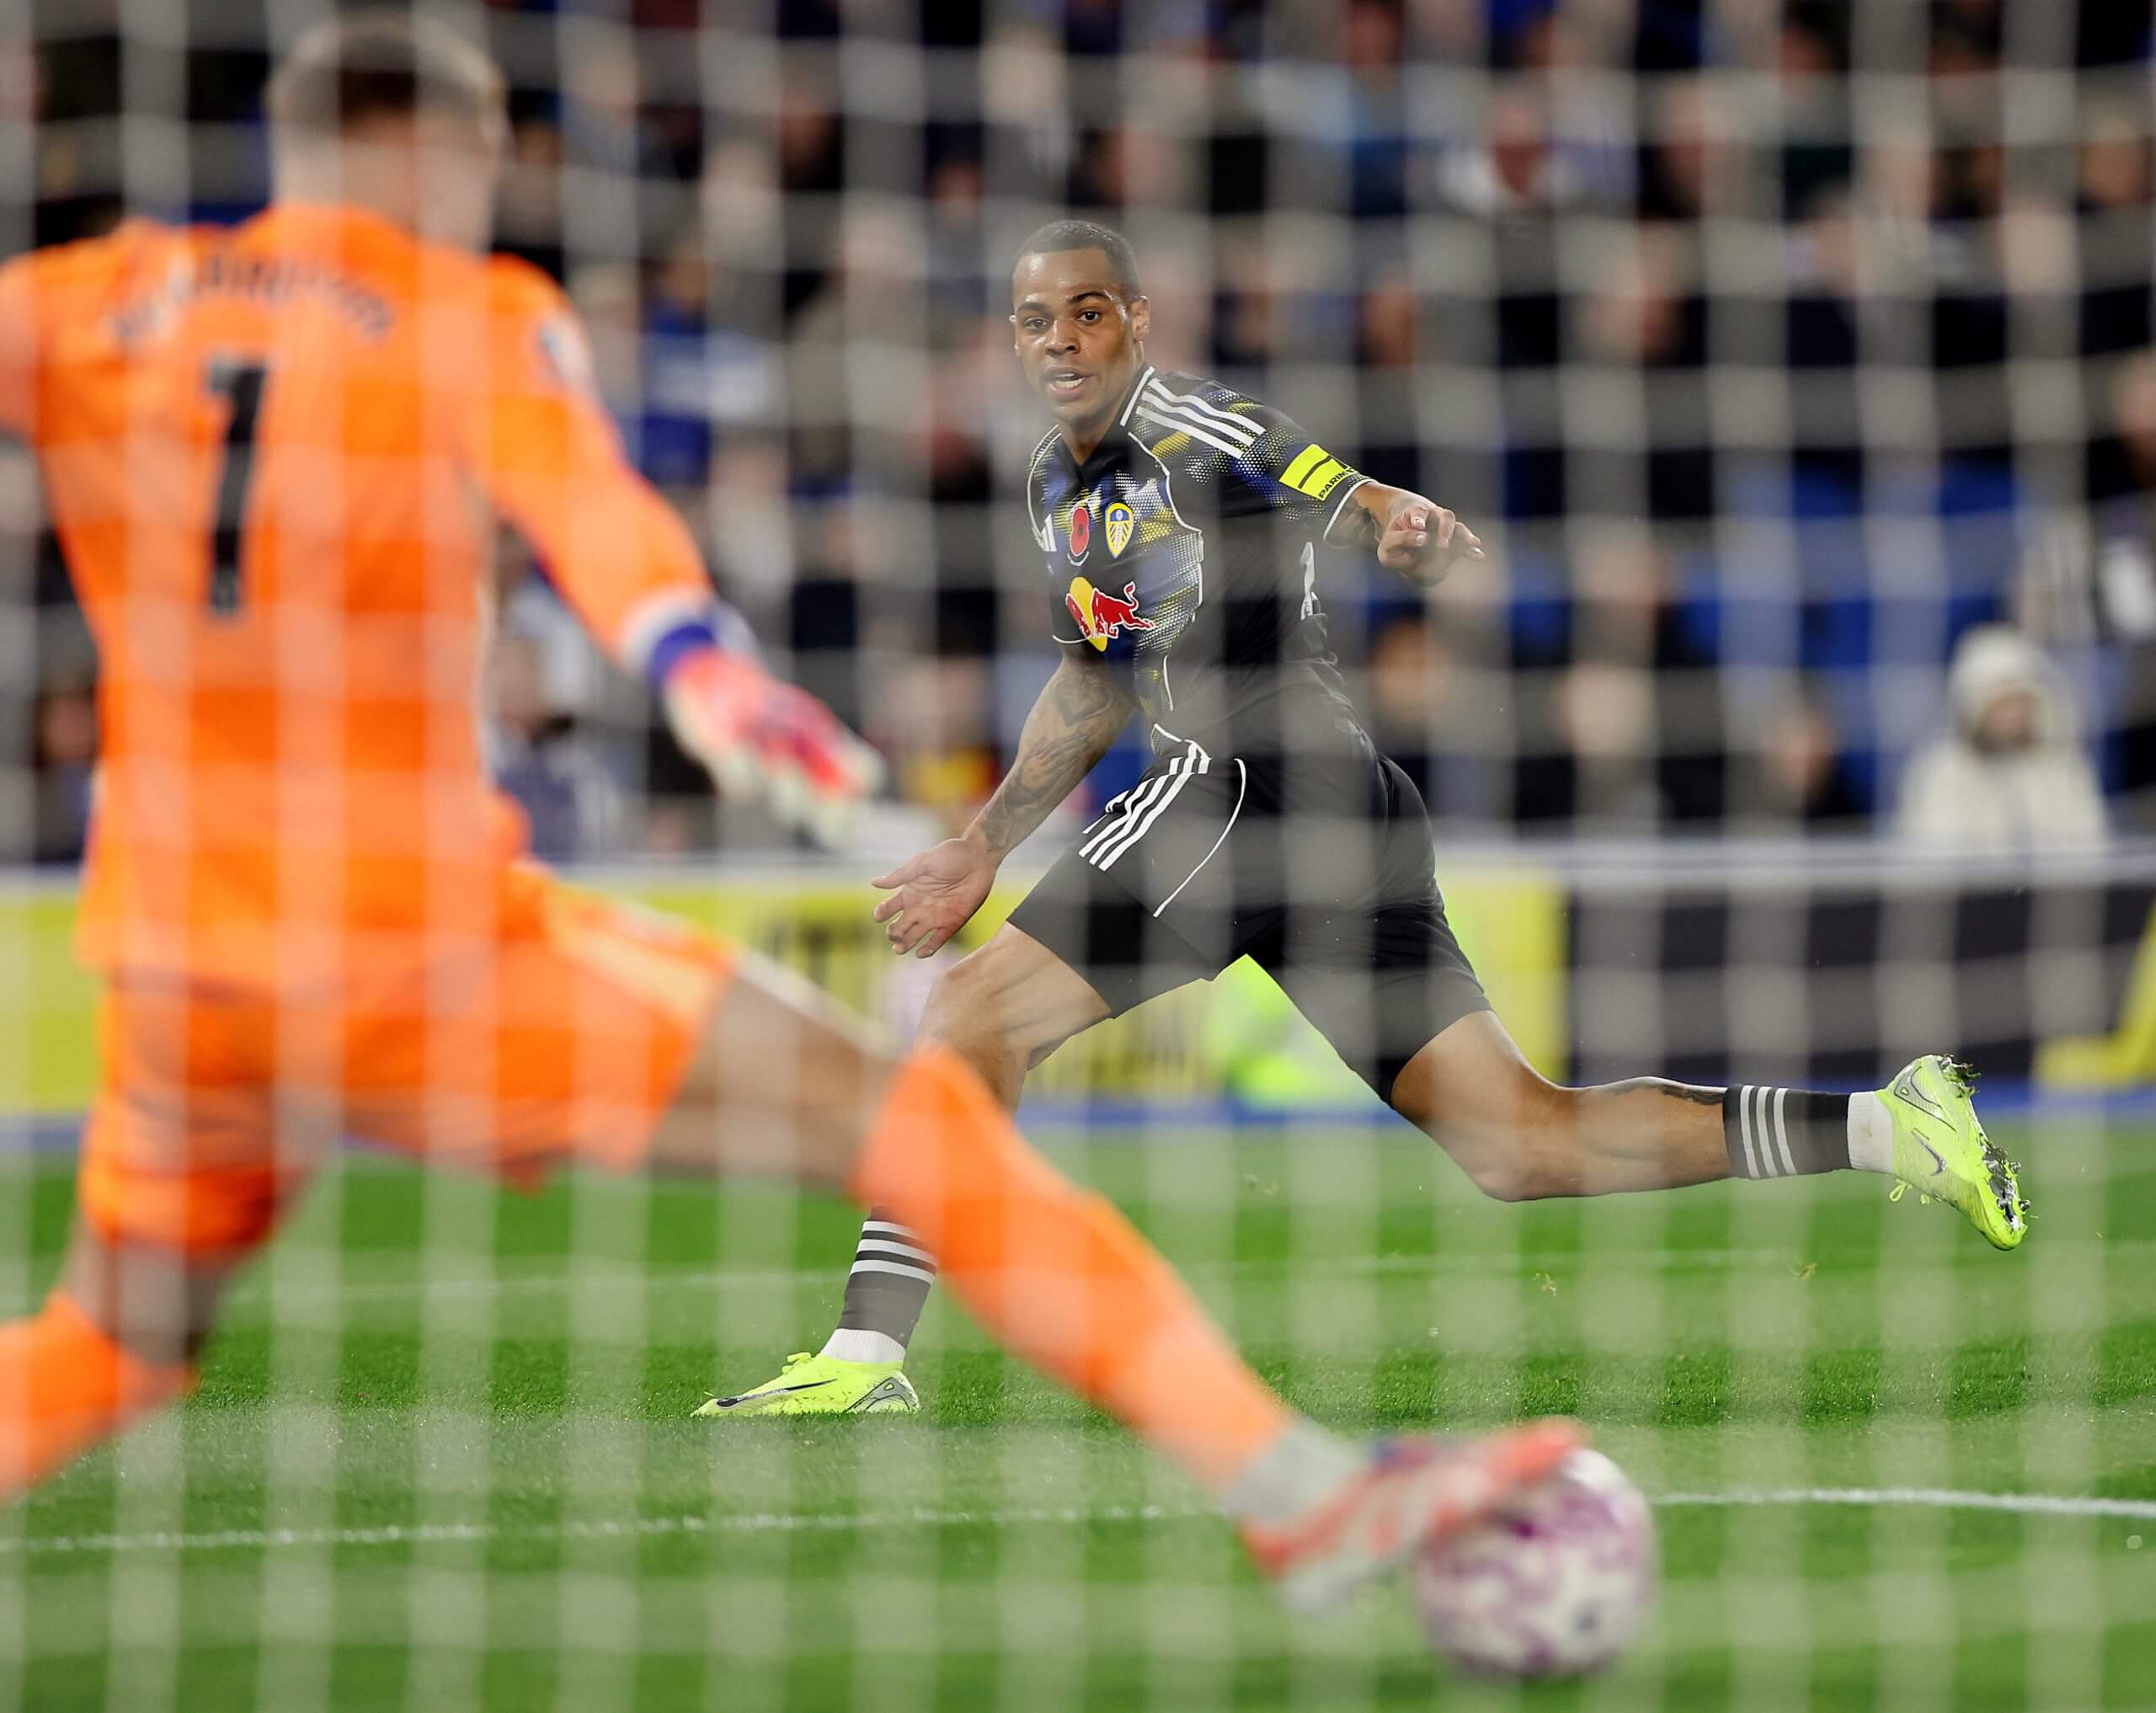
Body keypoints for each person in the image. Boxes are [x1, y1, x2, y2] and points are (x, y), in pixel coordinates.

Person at [0, 15, 1582, 1615]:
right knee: (913, 1114)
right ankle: (1299, 1493)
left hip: (173, 974)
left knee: (105, 1343)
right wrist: (704, 669)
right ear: (436, 149)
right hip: (414, 943)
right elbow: (598, 524)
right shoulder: (469, 315)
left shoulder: (81, 303)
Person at [712, 219, 2026, 1417]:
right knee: (1519, 1144)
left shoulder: (1192, 425)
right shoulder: (1056, 488)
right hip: (1335, 811)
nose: (1058, 338)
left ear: (1139, 320)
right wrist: (982, 843)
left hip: (1250, 782)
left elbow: (1327, 478)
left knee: (965, 1017)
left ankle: (865, 1358)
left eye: (1088, 310)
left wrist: (1400, 519)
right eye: (1033, 318)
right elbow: (1092, 676)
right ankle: (1885, 1122)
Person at [1895, 625, 2111, 852]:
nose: (2012, 716)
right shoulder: (1941, 770)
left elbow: (2091, 845)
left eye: (2020, 703)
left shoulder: (2062, 768)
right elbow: (1929, 857)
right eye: (2001, 705)